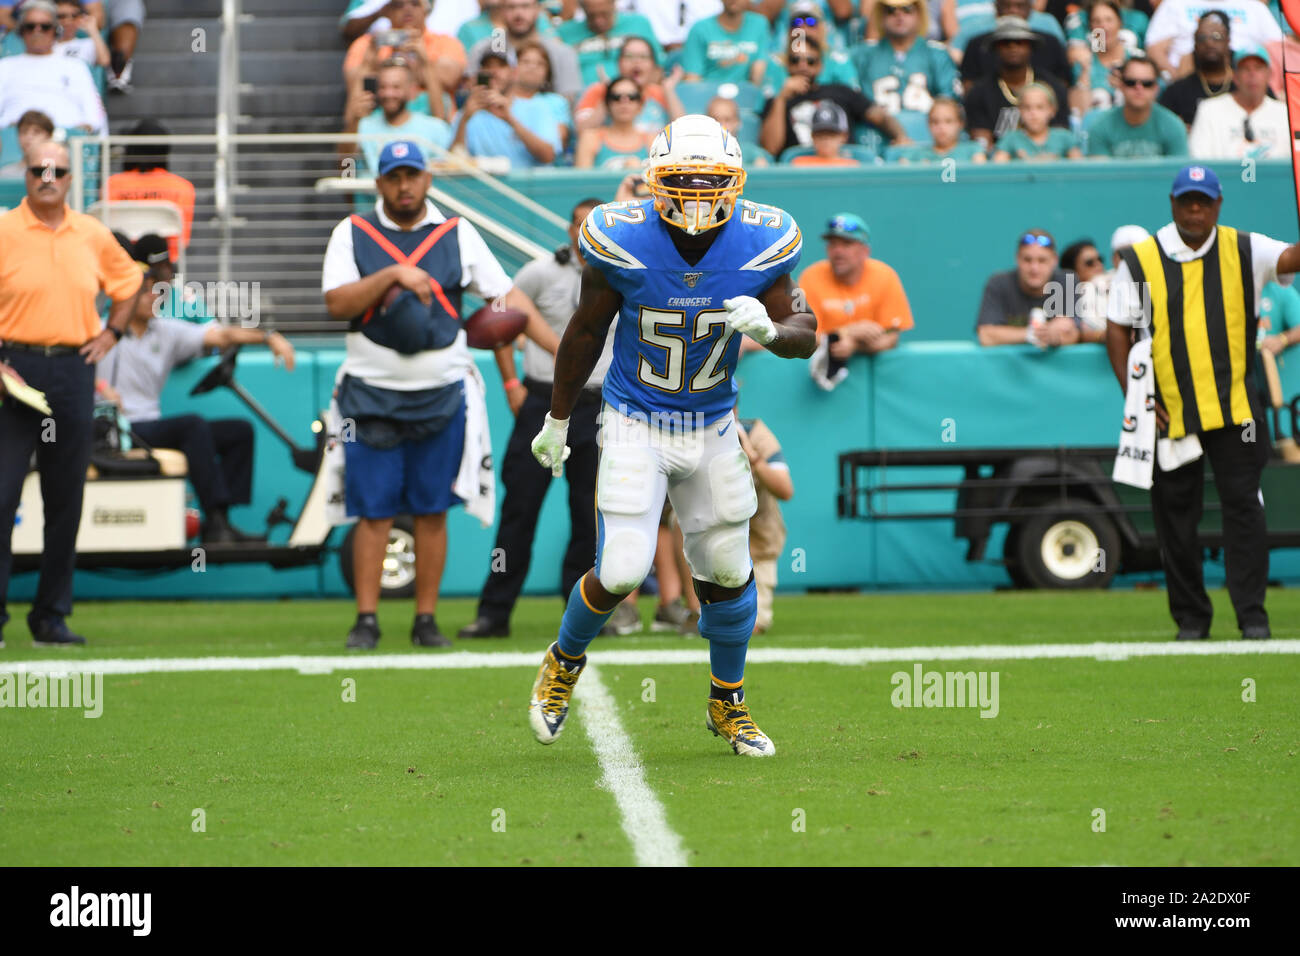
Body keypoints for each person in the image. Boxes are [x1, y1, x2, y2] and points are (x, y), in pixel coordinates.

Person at [526, 115, 817, 758]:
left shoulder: (763, 240)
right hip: (635, 418)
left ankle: (728, 702)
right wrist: (556, 418)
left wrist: (770, 332)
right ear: (656, 181)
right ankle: (563, 661)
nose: (692, 194)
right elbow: (584, 331)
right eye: (680, 180)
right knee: (624, 566)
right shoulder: (619, 236)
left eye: (707, 181)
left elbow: (806, 329)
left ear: (733, 182)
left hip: (713, 423)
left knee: (726, 567)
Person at [321, 140, 518, 650]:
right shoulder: (354, 231)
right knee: (374, 511)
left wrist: (514, 365)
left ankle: (425, 619)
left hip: (442, 392)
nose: (404, 186)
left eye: (413, 175)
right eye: (393, 177)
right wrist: (392, 274)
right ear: (379, 183)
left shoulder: (457, 231)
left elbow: (502, 298)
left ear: (428, 179)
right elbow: (337, 303)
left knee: (432, 509)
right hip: (369, 393)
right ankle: (367, 619)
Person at [1105, 164, 1300, 640]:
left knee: (1245, 511)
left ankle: (1252, 617)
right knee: (1175, 519)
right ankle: (1191, 620)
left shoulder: (1245, 248)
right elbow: (1117, 327)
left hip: (1236, 410)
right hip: (1170, 409)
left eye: (1203, 201)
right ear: (1172, 204)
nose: (1195, 209)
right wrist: (1138, 398)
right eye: (1186, 200)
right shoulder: (1140, 258)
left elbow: (1292, 259)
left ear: (1218, 205)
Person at [0, 140, 142, 647]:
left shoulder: (92, 233)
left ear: (69, 178)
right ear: (26, 172)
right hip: (13, 369)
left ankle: (51, 617)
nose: (48, 177)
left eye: (57, 170)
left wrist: (113, 333)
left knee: (66, 499)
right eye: (39, 168)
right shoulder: (4, 228)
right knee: (2, 493)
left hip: (72, 370)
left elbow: (130, 282)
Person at [457, 199, 601, 640]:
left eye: (591, 226)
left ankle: (581, 616)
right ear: (568, 228)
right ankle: (494, 613)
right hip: (542, 399)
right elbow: (502, 317)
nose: (582, 235)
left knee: (589, 514)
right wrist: (510, 384)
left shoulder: (621, 274)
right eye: (578, 226)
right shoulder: (540, 272)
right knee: (520, 509)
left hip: (597, 404)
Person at [95, 235, 297, 544]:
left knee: (238, 431)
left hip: (150, 425)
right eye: (147, 291)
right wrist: (101, 389)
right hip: (119, 429)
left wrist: (269, 337)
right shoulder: (101, 331)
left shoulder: (166, 330)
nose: (156, 296)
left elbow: (222, 335)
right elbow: (74, 368)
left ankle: (221, 522)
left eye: (156, 291)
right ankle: (215, 520)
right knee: (192, 426)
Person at [760, 34, 907, 158]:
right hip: (801, 171)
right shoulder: (776, 102)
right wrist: (781, 99)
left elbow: (880, 116)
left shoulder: (841, 91)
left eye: (810, 61)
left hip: (842, 167)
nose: (802, 66)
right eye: (795, 60)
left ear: (820, 66)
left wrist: (900, 136)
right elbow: (770, 149)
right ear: (787, 64)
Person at [798, 213, 914, 357]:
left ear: (865, 251)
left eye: (847, 244)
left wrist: (854, 343)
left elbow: (891, 337)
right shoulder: (811, 277)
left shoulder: (885, 275)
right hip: (823, 370)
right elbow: (806, 337)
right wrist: (847, 332)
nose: (838, 251)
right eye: (833, 244)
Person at [854, 0, 960, 144]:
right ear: (880, 15)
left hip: (928, 142)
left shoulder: (937, 54)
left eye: (907, 9)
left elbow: (949, 104)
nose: (899, 15)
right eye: (891, 10)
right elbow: (855, 103)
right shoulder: (863, 56)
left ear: (919, 13)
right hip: (876, 138)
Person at [0, 1, 106, 134]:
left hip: (66, 139)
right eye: (30, 26)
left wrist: (83, 128)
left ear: (55, 30)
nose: (37, 31)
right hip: (15, 140)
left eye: (45, 26)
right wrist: (8, 127)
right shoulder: (4, 66)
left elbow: (94, 115)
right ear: (21, 31)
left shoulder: (75, 66)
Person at [963, 17, 1070, 149]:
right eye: (1005, 42)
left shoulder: (1053, 87)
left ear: (1030, 47)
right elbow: (981, 146)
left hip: (1046, 160)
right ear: (996, 47)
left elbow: (1061, 140)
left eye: (1020, 42)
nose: (1012, 47)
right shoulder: (979, 93)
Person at [452, 47, 563, 168]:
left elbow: (548, 155)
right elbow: (451, 162)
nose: (494, 72)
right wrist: (464, 119)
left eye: (501, 66)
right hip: (485, 185)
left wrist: (509, 119)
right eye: (487, 66)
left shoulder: (536, 107)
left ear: (514, 73)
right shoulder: (466, 113)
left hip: (530, 185)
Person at [107, 118, 197, 263]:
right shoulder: (183, 187)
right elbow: (182, 241)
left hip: (122, 263)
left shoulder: (112, 184)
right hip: (164, 267)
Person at [343, 0, 466, 106]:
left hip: (432, 123)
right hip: (381, 122)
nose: (407, 9)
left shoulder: (447, 42)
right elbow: (353, 85)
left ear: (427, 10)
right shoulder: (368, 43)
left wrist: (422, 60)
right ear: (387, 11)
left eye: (415, 3)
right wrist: (370, 62)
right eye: (398, 4)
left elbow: (450, 78)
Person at [343, 58, 454, 175]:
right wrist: (354, 121)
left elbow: (452, 172)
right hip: (370, 191)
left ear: (412, 91)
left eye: (396, 87)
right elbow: (345, 169)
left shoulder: (435, 128)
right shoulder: (362, 125)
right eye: (383, 87)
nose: (388, 93)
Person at [976, 229, 1082, 346]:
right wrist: (1034, 334)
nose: (1034, 268)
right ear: (1017, 259)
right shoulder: (998, 283)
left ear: (1054, 260)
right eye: (1027, 260)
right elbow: (985, 336)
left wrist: (1058, 334)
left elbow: (1075, 334)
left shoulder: (1067, 281)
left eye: (1042, 260)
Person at [737, 414, 792, 636]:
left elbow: (785, 490)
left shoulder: (756, 433)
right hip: (709, 539)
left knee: (750, 624)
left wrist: (754, 459)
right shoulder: (695, 430)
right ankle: (691, 609)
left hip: (757, 540)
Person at [464, 0, 581, 102]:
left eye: (525, 6)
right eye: (511, 7)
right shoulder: (484, 49)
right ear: (501, 11)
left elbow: (568, 101)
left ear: (538, 9)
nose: (518, 14)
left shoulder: (561, 52)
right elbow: (469, 92)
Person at [1188, 46, 1288, 159]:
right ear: (1235, 76)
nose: (1252, 74)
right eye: (1245, 69)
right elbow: (1198, 159)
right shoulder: (1209, 109)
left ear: (1269, 75)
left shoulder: (1285, 113)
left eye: (1258, 68)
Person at [1145, 0, 1281, 80]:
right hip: (1189, 74)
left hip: (1242, 78)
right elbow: (1154, 49)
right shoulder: (1174, 4)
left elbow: (1278, 49)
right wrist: (1178, 81)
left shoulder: (1253, 6)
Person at [573, 35, 684, 132]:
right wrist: (609, 95)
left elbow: (684, 132)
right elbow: (582, 130)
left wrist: (669, 90)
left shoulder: (661, 93)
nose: (636, 62)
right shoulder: (599, 90)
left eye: (643, 57)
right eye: (629, 56)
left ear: (654, 66)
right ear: (618, 63)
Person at [1085, 56, 1188, 158]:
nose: (1139, 88)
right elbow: (1099, 173)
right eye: (1131, 83)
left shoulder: (1173, 126)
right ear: (1121, 86)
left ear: (1156, 88)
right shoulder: (1101, 127)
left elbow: (1177, 171)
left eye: (1147, 84)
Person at [958, 0, 1069, 92]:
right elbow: (968, 86)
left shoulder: (1049, 42)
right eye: (1006, 6)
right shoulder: (978, 44)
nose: (1013, 10)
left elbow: (1063, 83)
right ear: (996, 7)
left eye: (1020, 6)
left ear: (1030, 8)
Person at [555, 0, 664, 86]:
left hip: (631, 98)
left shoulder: (639, 24)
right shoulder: (566, 32)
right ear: (582, 8)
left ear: (614, 3)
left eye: (604, 14)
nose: (599, 21)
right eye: (591, 16)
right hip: (584, 99)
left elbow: (658, 68)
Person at [1158, 11, 1236, 128]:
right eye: (1202, 38)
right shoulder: (1176, 92)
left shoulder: (1245, 87)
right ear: (1194, 45)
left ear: (1228, 42)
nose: (1209, 43)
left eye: (1216, 37)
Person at [1066, 0, 1138, 116]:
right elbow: (1078, 113)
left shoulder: (1135, 58)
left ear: (1120, 23)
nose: (1103, 26)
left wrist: (1124, 85)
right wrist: (1085, 71)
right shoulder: (1083, 63)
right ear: (1090, 27)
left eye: (1109, 20)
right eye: (1097, 21)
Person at [680, 0, 771, 85]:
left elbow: (758, 70)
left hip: (745, 95)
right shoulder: (700, 29)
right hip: (708, 96)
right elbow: (692, 78)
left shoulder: (759, 24)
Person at [574, 75, 656, 168]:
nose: (624, 102)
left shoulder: (652, 141)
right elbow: (582, 181)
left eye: (632, 97)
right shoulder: (590, 138)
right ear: (607, 104)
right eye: (616, 97)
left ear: (641, 105)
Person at [991, 82, 1081, 160]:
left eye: (1040, 107)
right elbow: (997, 170)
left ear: (1052, 110)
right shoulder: (1010, 139)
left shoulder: (1065, 137)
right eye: (1027, 108)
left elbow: (1079, 170)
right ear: (1020, 111)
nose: (1033, 113)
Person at [892, 96, 987, 163]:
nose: (941, 127)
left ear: (960, 124)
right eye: (935, 122)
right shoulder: (913, 155)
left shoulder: (973, 151)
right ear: (928, 124)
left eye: (948, 121)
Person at [788, 100, 862, 165]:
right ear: (812, 136)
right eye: (820, 134)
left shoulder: (852, 166)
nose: (825, 140)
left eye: (831, 134)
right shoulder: (799, 164)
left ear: (843, 136)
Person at [0, 110, 54, 179]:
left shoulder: (59, 173)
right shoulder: (5, 174)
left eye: (36, 132)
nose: (29, 137)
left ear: (49, 136)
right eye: (24, 131)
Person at [55, 1, 110, 68]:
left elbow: (104, 61)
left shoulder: (87, 43)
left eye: (74, 16)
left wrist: (92, 29)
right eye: (62, 16)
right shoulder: (46, 46)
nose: (68, 21)